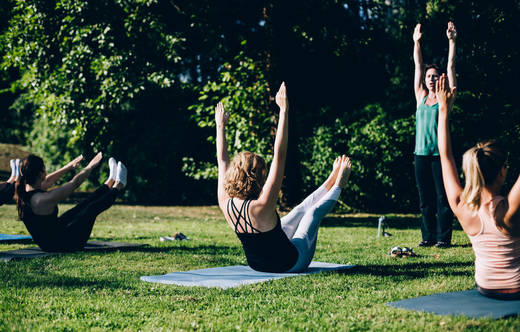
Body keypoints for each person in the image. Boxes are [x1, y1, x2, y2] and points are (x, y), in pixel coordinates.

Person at [215, 82, 352, 273]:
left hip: (257, 265)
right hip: (293, 262)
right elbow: (279, 155)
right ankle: (339, 184)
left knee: (298, 211)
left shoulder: (224, 202)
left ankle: (330, 180)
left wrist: (220, 125)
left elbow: (222, 161)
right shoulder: (262, 204)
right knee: (312, 213)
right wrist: (284, 111)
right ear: (258, 177)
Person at [436, 73, 520, 300]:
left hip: (486, 288)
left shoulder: (462, 207)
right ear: (502, 171)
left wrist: (443, 110)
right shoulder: (508, 211)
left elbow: (445, 157)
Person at [15, 153, 127, 252]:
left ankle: (110, 181)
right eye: (44, 168)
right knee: (90, 209)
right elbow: (74, 183)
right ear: (40, 174)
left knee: (82, 205)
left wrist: (69, 167)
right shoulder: (40, 200)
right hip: (63, 244)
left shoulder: (28, 188)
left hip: (56, 234)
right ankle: (118, 185)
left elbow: (49, 180)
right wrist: (91, 166)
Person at [412, 22, 457, 248]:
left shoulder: (445, 99)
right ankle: (427, 237)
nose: (430, 78)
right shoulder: (420, 97)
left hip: (441, 155)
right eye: (428, 76)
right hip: (420, 155)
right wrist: (416, 42)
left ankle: (443, 238)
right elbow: (418, 65)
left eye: (434, 76)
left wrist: (452, 42)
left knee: (443, 198)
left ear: (440, 80)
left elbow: (451, 67)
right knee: (425, 200)